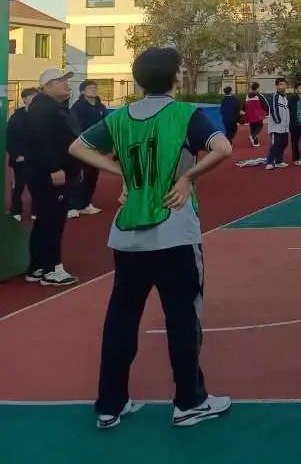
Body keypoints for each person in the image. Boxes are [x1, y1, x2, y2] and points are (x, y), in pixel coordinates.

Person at [68, 47, 233, 430]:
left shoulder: (119, 117)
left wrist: (121, 173)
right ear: (176, 77)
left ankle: (110, 405)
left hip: (128, 236)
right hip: (174, 232)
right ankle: (189, 402)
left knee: (121, 319)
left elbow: (77, 147)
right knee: (182, 318)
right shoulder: (185, 114)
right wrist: (187, 177)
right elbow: (223, 148)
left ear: (139, 80)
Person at [24, 68, 79, 286]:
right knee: (53, 222)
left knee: (45, 220)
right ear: (47, 86)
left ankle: (37, 267)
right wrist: (54, 169)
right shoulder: (43, 108)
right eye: (60, 80)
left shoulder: (51, 106)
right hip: (51, 175)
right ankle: (51, 269)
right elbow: (42, 140)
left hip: (51, 173)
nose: (66, 84)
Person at [70, 80, 109, 216]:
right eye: (90, 88)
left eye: (94, 87)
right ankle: (76, 205)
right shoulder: (78, 107)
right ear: (82, 91)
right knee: (81, 176)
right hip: (83, 146)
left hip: (97, 146)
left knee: (92, 175)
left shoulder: (101, 106)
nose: (93, 90)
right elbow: (75, 127)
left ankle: (85, 203)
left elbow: (105, 124)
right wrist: (82, 142)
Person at [7, 87, 37, 220]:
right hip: (20, 158)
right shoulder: (16, 117)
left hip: (36, 159)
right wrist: (16, 155)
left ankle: (36, 211)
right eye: (32, 97)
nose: (35, 99)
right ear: (24, 99)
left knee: (36, 186)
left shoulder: (42, 116)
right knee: (18, 186)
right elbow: (10, 138)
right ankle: (16, 210)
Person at [264, 77, 291, 170]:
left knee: (284, 143)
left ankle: (279, 161)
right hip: (276, 127)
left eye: (284, 84)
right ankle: (269, 162)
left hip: (285, 127)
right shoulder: (275, 96)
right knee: (275, 144)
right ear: (277, 86)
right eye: (280, 84)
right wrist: (278, 121)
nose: (283, 86)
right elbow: (274, 110)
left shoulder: (285, 97)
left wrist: (287, 124)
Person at [244, 83, 268, 148]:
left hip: (250, 115)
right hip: (258, 115)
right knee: (260, 126)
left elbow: (245, 105)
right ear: (257, 88)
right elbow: (265, 104)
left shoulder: (247, 96)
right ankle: (253, 137)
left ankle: (255, 142)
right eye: (259, 88)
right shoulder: (259, 95)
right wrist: (266, 112)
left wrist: (245, 112)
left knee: (253, 127)